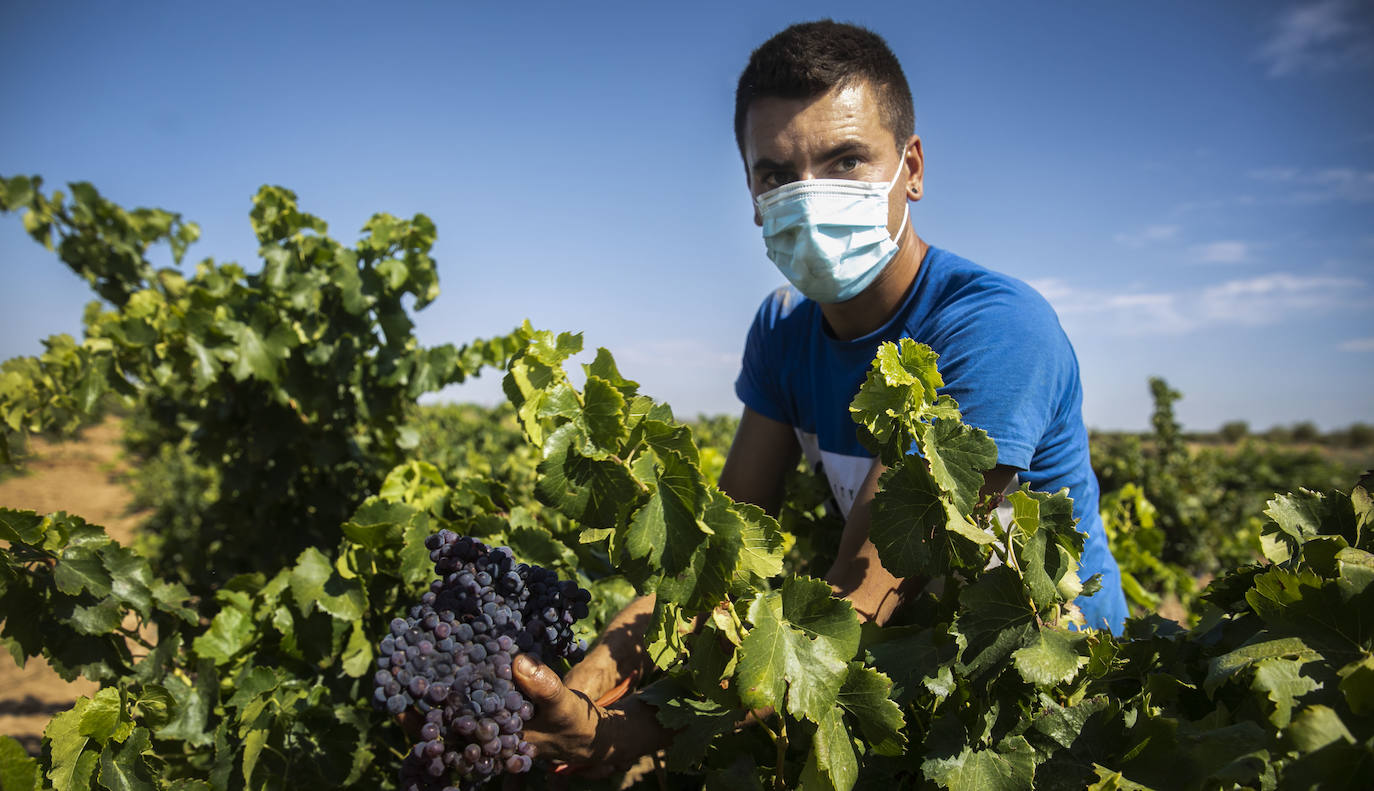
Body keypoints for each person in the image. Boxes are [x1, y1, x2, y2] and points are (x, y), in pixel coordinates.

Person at [511, 19, 1128, 770]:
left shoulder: (995, 330)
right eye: (776, 173)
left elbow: (863, 596)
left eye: (845, 161)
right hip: (908, 669)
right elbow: (722, 554)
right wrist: (586, 683)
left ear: (914, 167)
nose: (808, 198)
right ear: (750, 191)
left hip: (1054, 703)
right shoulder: (781, 326)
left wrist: (622, 734)